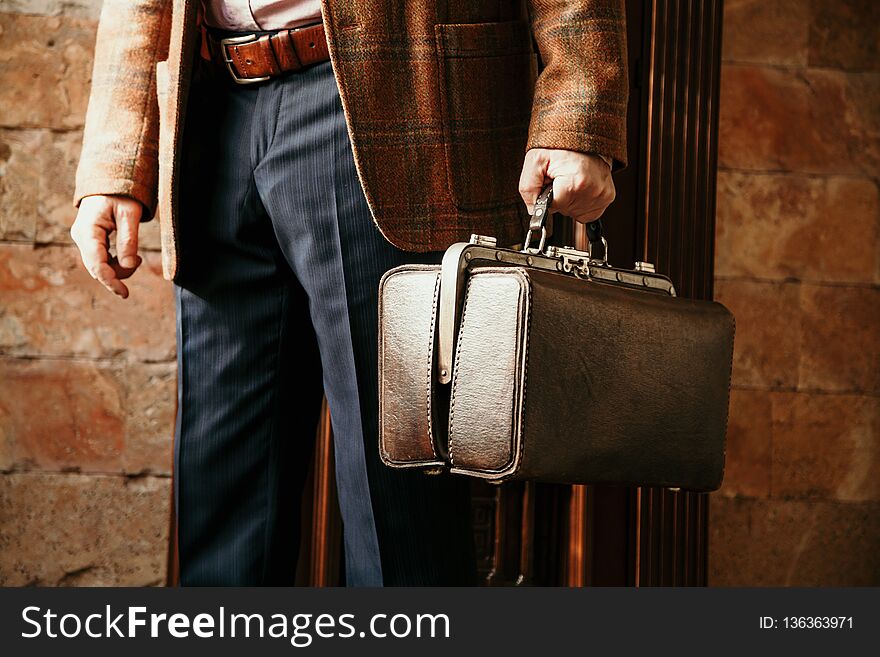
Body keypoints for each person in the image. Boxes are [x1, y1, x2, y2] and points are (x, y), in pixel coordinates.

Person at [69, 0, 628, 586]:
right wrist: (115, 160)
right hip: (211, 111)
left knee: (400, 521)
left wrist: (577, 114)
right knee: (222, 514)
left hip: (395, 108)